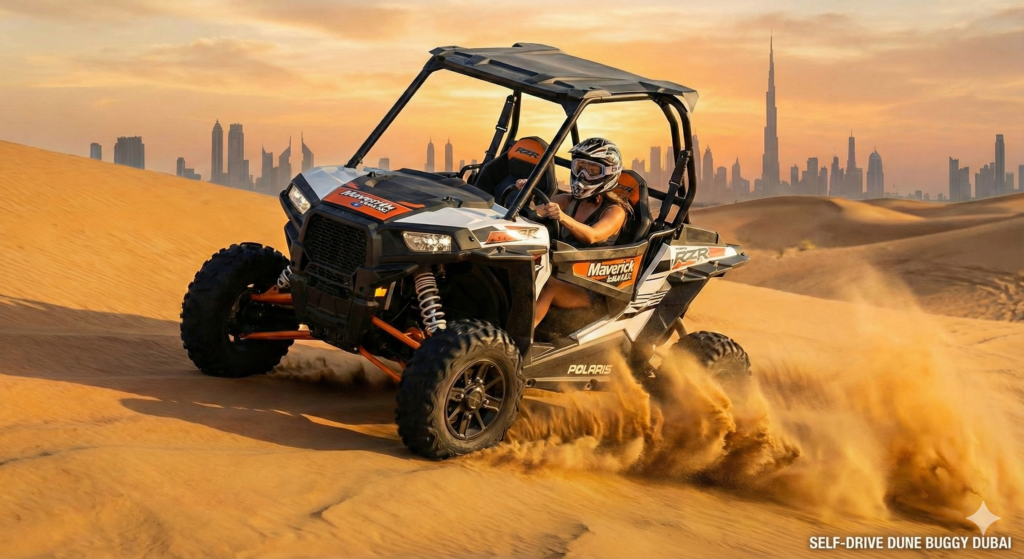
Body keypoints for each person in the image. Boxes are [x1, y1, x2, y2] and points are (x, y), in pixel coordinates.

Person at [515, 137, 632, 327]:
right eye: (579, 167)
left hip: (592, 287)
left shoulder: (615, 211)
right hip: (560, 270)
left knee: (548, 285)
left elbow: (592, 235)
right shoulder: (566, 200)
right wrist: (525, 196)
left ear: (608, 174)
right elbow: (531, 216)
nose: (583, 175)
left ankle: (518, 343)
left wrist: (562, 217)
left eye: (592, 170)